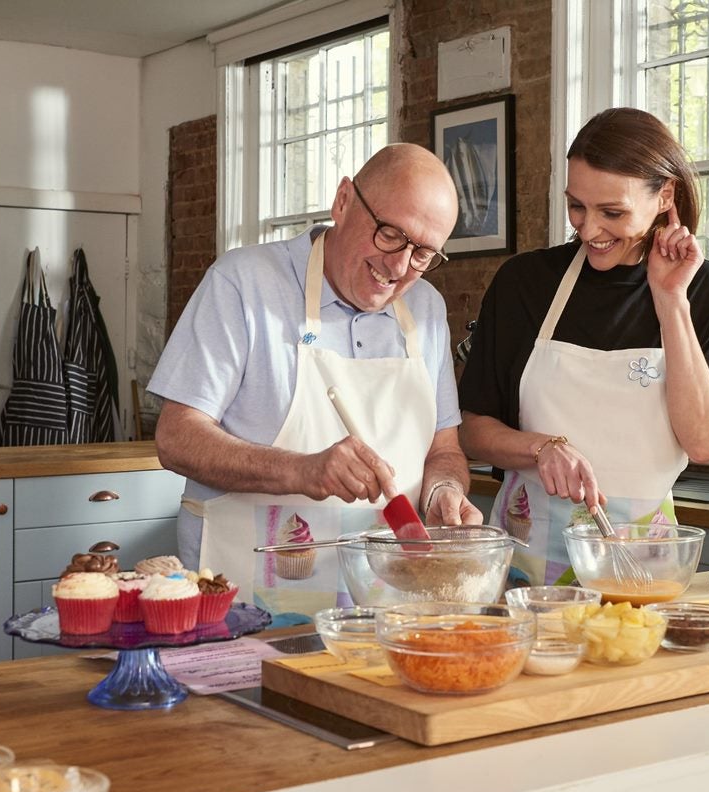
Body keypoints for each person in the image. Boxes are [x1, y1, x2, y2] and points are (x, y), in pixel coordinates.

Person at [150, 143, 483, 623]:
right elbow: (176, 437)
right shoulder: (243, 283)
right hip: (244, 605)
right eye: (391, 234)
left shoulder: (426, 310)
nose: (399, 267)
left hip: (383, 613)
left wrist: (442, 494)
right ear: (344, 200)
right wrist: (302, 471)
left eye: (424, 253)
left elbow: (443, 450)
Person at [457, 107, 709, 588]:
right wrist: (541, 448)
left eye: (612, 212)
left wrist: (670, 299)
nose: (588, 229)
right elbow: (473, 432)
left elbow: (704, 443)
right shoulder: (525, 283)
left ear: (665, 196)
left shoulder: (705, 290)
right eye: (577, 206)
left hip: (642, 559)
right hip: (526, 559)